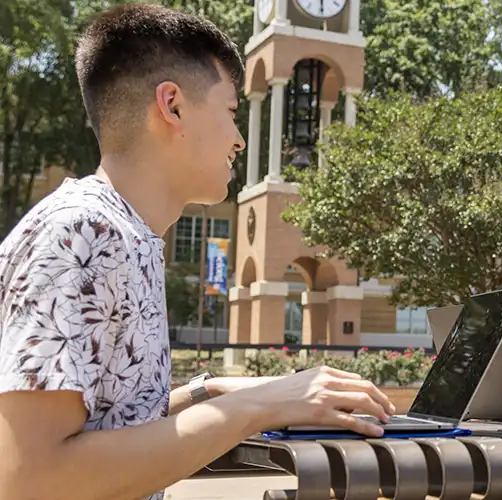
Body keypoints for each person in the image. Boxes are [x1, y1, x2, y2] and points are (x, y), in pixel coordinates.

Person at [0, 5, 394, 500]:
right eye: (230, 112)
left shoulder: (125, 235)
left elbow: (108, 421)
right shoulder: (84, 232)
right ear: (173, 106)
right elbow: (29, 478)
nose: (240, 139)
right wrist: (261, 406)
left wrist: (207, 392)